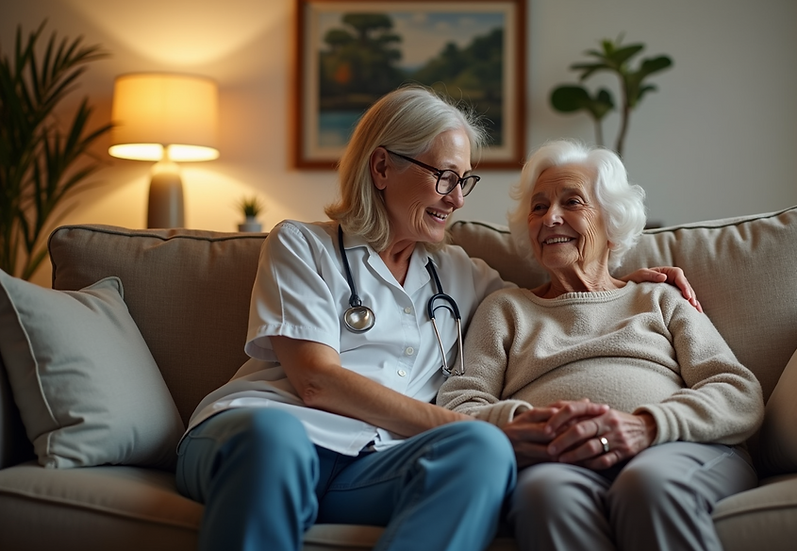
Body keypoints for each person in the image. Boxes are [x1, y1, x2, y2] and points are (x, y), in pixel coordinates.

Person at [175, 86, 699, 551]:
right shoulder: (302, 244)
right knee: (278, 439)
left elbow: (553, 299)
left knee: (482, 450)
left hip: (370, 462)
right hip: (266, 435)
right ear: (382, 168)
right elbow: (315, 381)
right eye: (444, 177)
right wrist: (462, 422)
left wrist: (623, 284)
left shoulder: (461, 274)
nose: (455, 199)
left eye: (463, 181)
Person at [438, 139, 765, 551]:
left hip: (674, 448)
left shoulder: (658, 298)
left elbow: (738, 392)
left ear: (611, 223)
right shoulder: (505, 308)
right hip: (559, 461)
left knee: (647, 485)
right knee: (542, 496)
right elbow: (458, 402)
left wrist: (647, 425)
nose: (550, 217)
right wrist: (525, 424)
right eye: (538, 207)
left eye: (571, 202)